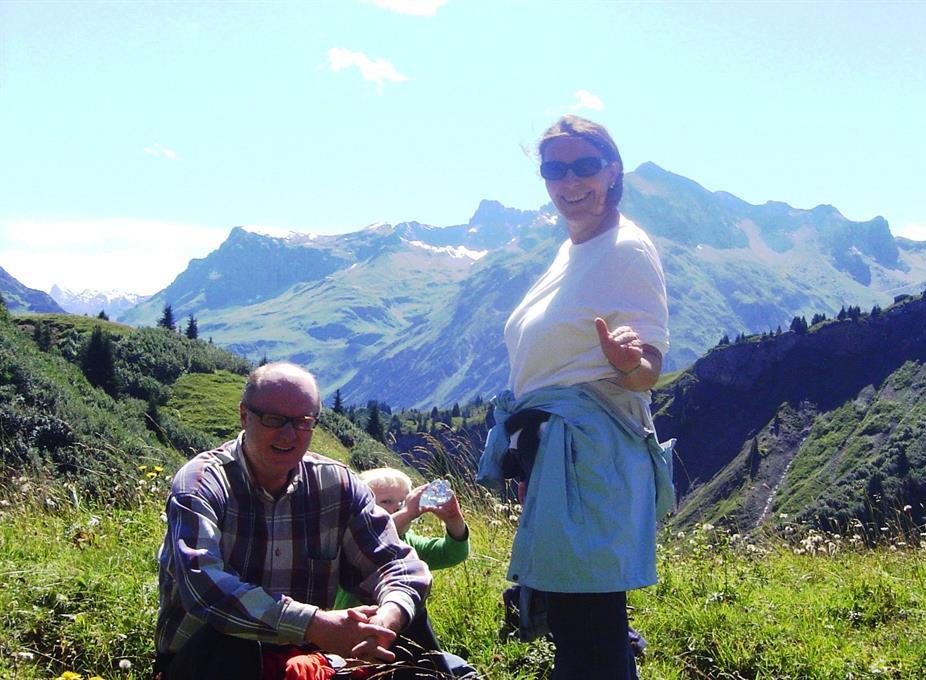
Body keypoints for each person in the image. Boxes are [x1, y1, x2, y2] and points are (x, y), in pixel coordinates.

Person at [477, 114, 675, 680]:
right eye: (554, 169)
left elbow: (648, 368)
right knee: (577, 615)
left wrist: (628, 362)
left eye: (584, 165)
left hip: (589, 455)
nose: (569, 181)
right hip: (562, 453)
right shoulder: (572, 250)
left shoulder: (626, 249)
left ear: (612, 170)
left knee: (588, 622)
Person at [154, 362, 448, 679]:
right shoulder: (202, 483)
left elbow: (396, 563)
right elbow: (203, 586)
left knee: (407, 614)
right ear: (244, 415)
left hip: (307, 654)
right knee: (228, 640)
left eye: (303, 422)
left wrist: (388, 616)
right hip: (211, 659)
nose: (288, 434)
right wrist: (313, 624)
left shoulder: (337, 484)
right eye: (273, 419)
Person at [335, 468, 475, 677]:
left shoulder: (408, 542)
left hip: (403, 638)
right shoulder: (349, 545)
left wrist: (454, 520)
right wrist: (408, 512)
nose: (397, 507)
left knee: (462, 670)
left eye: (402, 501)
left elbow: (451, 553)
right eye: (386, 502)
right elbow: (373, 535)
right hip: (355, 641)